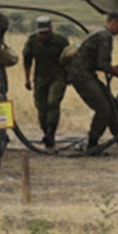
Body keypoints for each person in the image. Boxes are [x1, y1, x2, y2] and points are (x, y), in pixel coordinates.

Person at [66, 12, 118, 154]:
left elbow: (96, 62)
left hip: (85, 74)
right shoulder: (105, 36)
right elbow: (104, 64)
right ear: (115, 22)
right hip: (82, 76)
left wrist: (114, 69)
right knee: (104, 109)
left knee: (112, 105)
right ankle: (92, 145)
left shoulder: (98, 33)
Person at [22, 16, 70, 149]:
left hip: (58, 75)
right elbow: (27, 60)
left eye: (46, 33)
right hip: (40, 77)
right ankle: (46, 133)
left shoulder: (61, 41)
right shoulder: (32, 41)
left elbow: (69, 58)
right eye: (41, 33)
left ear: (51, 29)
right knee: (41, 108)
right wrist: (26, 79)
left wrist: (69, 76)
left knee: (53, 102)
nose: (43, 36)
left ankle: (51, 132)